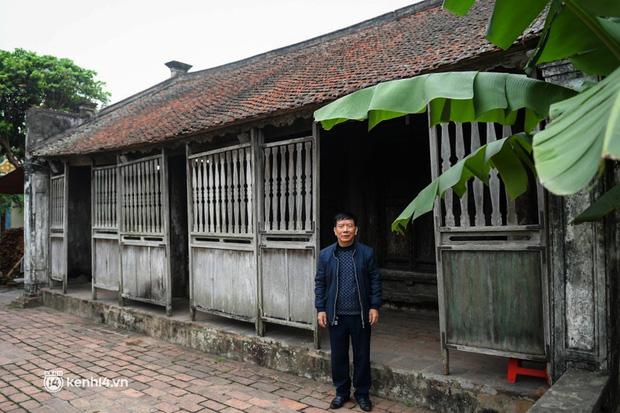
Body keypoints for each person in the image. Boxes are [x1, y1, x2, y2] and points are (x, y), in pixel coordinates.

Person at [314, 212, 382, 411]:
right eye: (341, 226)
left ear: (356, 229)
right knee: (339, 356)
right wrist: (320, 309)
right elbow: (320, 283)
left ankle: (362, 394)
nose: (345, 230)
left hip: (360, 315)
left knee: (362, 355)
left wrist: (374, 306)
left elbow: (375, 281)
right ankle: (341, 393)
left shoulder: (366, 253)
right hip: (336, 314)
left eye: (349, 226)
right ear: (334, 231)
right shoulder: (326, 254)